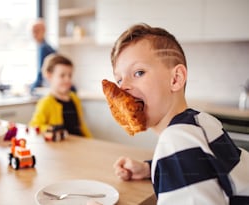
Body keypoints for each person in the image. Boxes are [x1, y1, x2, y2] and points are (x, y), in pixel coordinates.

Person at [92, 23, 249, 205]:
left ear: (175, 79)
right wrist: (150, 168)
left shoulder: (176, 141)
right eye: (119, 79)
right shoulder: (201, 122)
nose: (123, 87)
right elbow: (202, 165)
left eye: (138, 72)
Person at [29, 53, 92, 138]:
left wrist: (90, 139)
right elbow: (34, 126)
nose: (67, 79)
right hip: (61, 146)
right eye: (62, 75)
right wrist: (51, 129)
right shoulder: (46, 102)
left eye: (70, 75)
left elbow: (81, 125)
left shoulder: (74, 98)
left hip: (79, 143)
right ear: (49, 76)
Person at [30, 19, 56, 93]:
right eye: (32, 31)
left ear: (44, 31)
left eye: (36, 31)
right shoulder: (45, 47)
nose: (34, 34)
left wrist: (32, 88)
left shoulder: (44, 48)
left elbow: (41, 73)